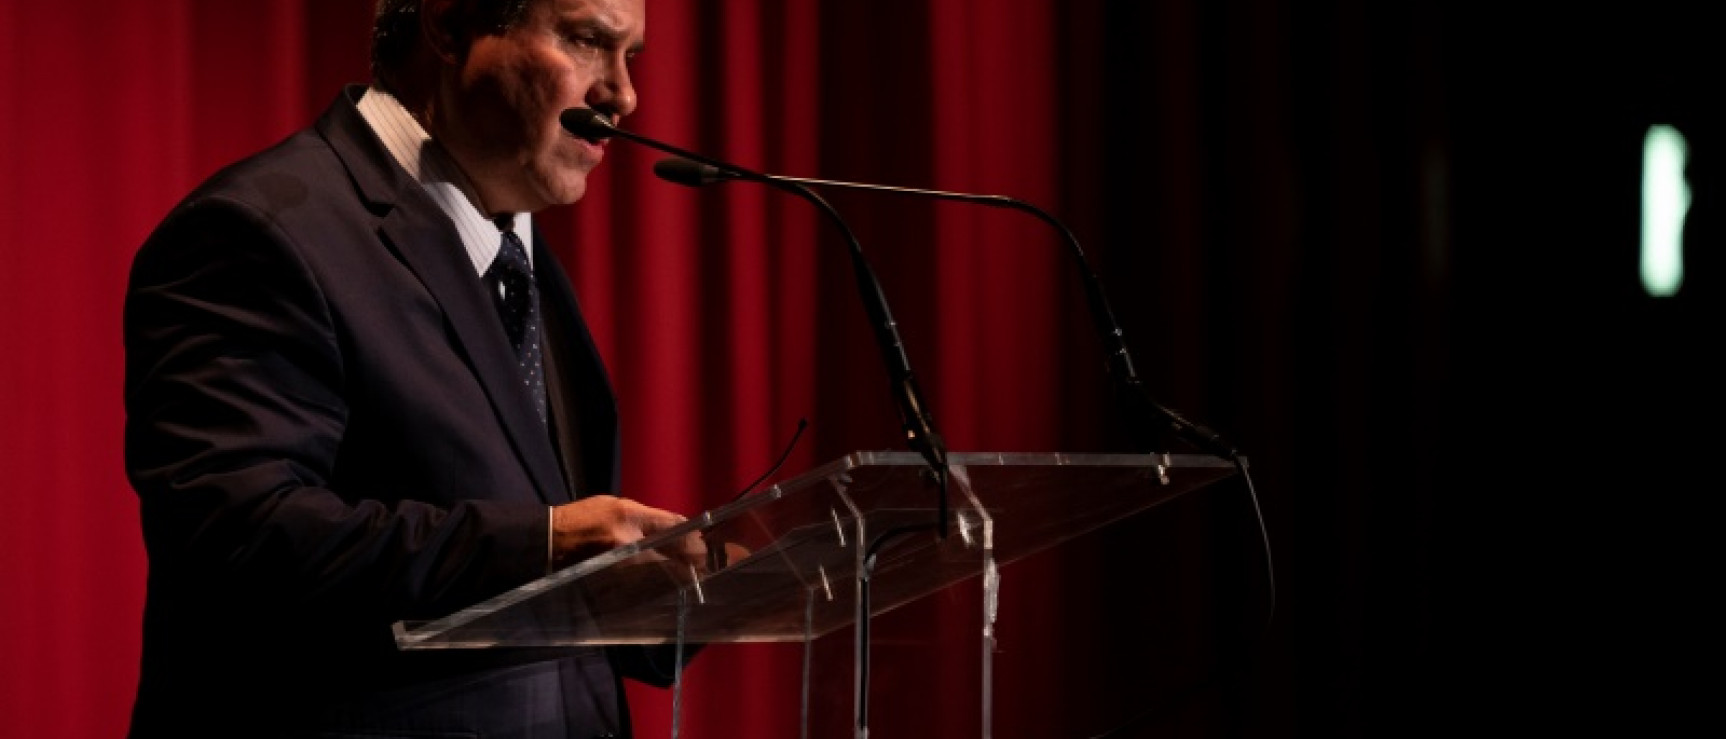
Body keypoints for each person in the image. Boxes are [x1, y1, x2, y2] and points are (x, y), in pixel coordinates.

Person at [121, 0, 705, 736]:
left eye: (634, 58)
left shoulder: (513, 246)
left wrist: (667, 588)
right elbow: (239, 538)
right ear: (449, 26)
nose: (623, 94)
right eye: (588, 41)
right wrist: (550, 542)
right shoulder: (258, 233)